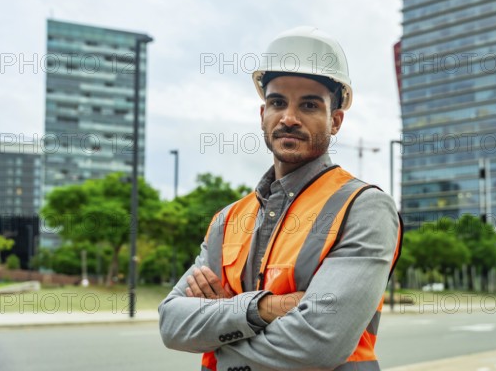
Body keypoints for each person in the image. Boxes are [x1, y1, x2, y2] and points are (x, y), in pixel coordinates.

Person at [159, 26, 403, 371]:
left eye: (309, 105)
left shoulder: (362, 207)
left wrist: (220, 335)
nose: (289, 118)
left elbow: (317, 343)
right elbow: (171, 322)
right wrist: (262, 309)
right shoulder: (229, 220)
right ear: (263, 115)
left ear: (335, 121)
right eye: (277, 102)